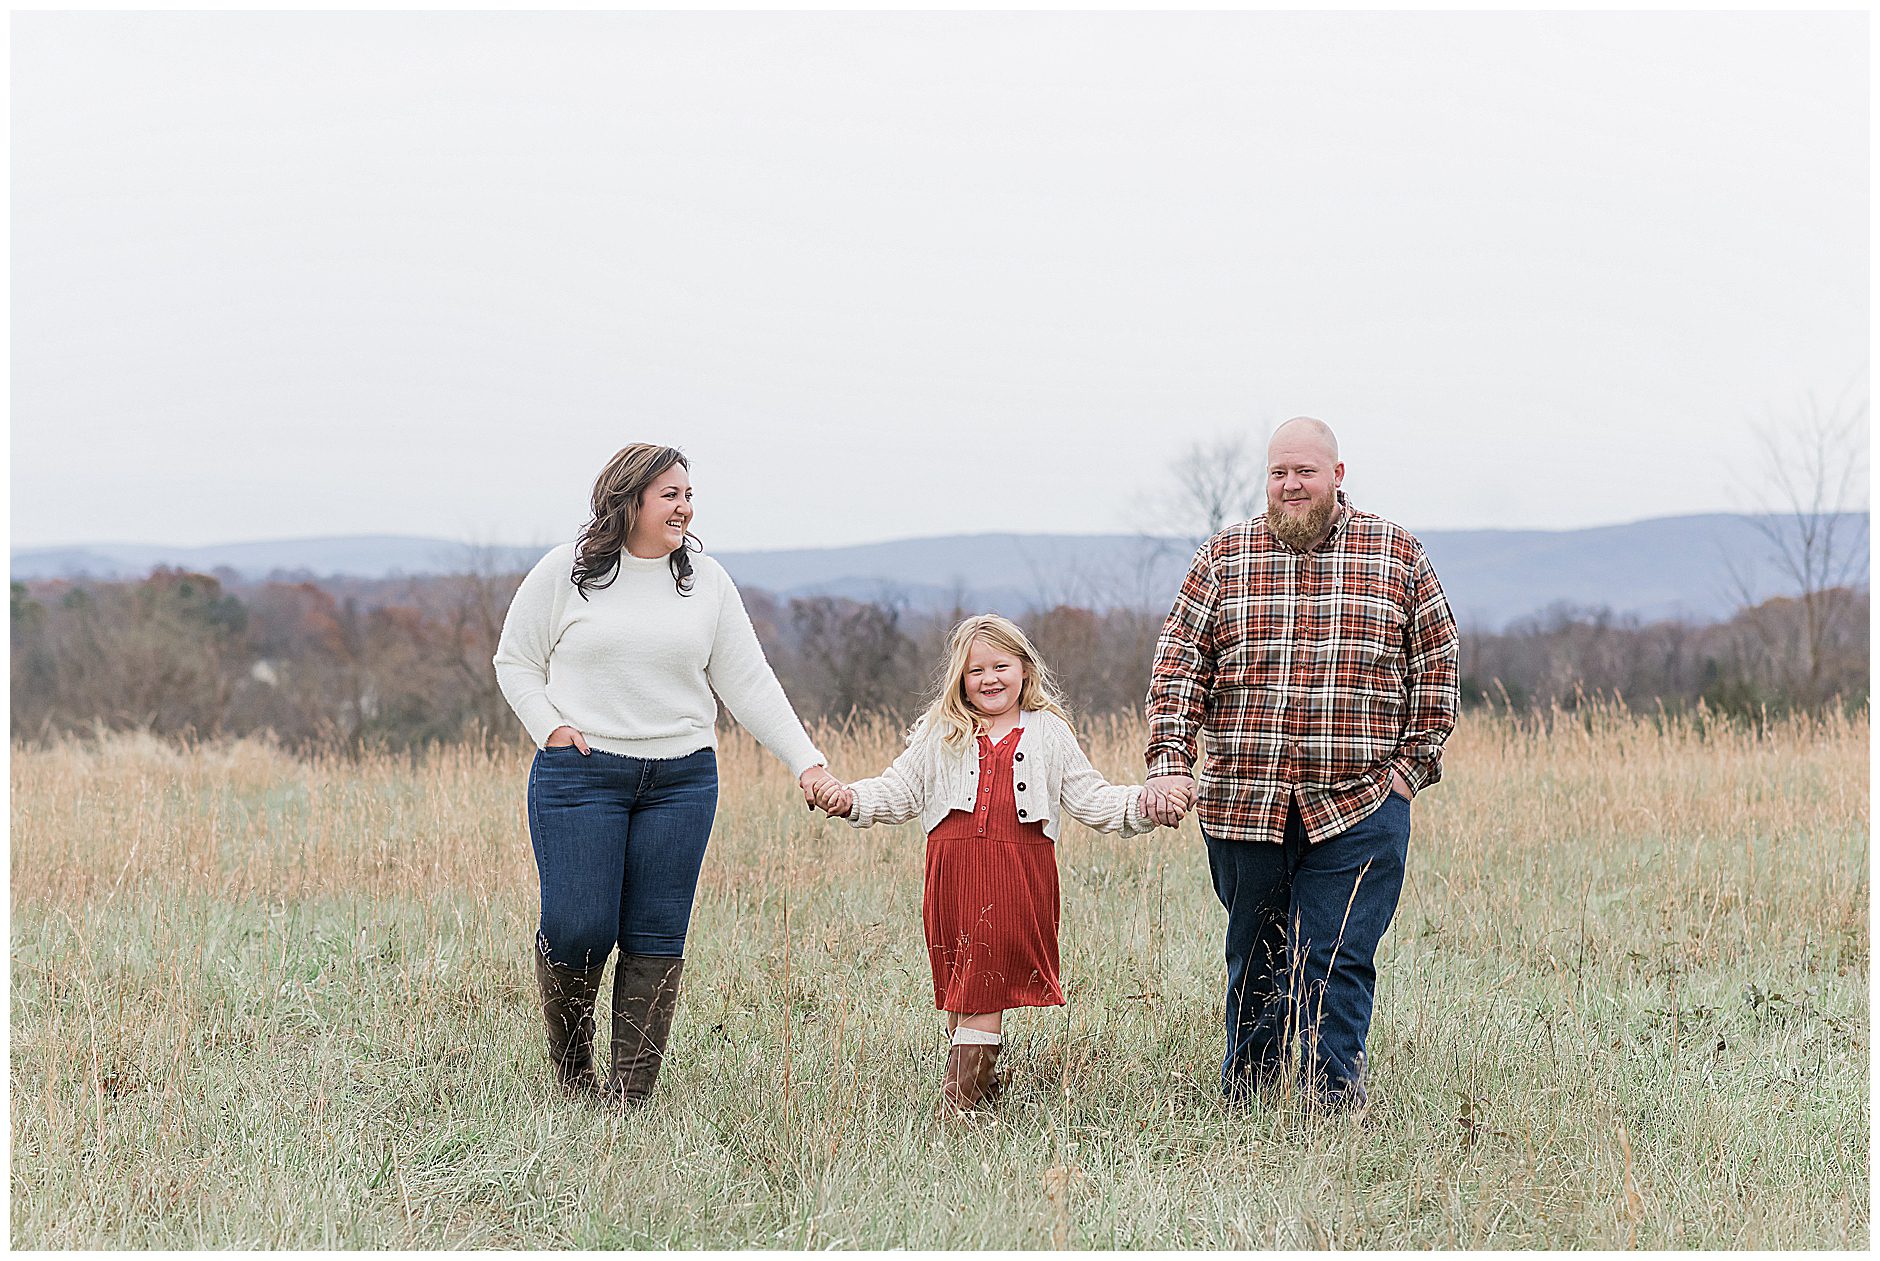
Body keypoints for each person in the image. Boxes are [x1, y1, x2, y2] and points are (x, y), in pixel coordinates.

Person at [493, 443, 844, 1105]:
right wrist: (552, 729)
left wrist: (808, 763)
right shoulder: (567, 573)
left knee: (657, 934)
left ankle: (631, 1097)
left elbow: (750, 685)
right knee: (579, 928)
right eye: (670, 495)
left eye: (688, 493)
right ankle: (574, 1077)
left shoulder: (706, 581)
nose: (686, 506)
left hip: (682, 780)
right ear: (630, 501)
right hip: (582, 776)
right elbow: (514, 661)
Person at [1140, 417, 1459, 1112]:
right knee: (1255, 956)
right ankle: (1248, 1098)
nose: (1291, 484)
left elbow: (1436, 661)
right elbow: (1178, 665)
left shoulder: (1396, 553)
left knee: (1336, 953)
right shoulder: (1224, 557)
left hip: (1362, 801)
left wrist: (1411, 768)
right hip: (1242, 802)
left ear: (1337, 476)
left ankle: (1331, 1103)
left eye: (1305, 472)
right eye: (1279, 472)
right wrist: (1170, 761)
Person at [811, 614, 1163, 1114]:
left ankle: (959, 1112)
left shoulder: (1048, 732)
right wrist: (849, 799)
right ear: (960, 677)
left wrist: (1145, 805)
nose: (989, 679)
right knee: (961, 996)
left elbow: (1092, 798)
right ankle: (986, 1088)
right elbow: (899, 789)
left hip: (1016, 879)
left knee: (982, 989)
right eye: (976, 671)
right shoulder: (942, 730)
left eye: (1001, 666)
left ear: (1024, 668)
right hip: (951, 878)